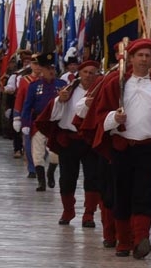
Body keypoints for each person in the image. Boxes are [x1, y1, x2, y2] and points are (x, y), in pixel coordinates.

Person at [83, 39, 151, 258]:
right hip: (122, 146)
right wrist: (113, 118)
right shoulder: (115, 83)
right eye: (140, 55)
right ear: (131, 58)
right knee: (122, 193)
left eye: (148, 56)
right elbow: (99, 114)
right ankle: (123, 241)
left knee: (143, 193)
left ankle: (141, 238)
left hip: (148, 148)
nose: (144, 59)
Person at [36, 59, 103, 226]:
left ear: (97, 75)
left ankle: (89, 214)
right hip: (69, 139)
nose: (88, 76)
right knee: (66, 178)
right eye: (85, 72)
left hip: (90, 141)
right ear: (79, 73)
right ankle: (68, 210)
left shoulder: (100, 91)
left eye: (92, 72)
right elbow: (54, 114)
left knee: (92, 177)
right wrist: (60, 100)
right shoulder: (69, 90)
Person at [22, 53, 65, 192]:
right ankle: (41, 182)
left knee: (55, 154)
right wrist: (25, 124)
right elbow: (27, 106)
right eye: (48, 68)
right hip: (39, 123)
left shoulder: (62, 85)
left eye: (52, 68)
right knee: (37, 154)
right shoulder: (34, 86)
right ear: (42, 70)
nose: (51, 71)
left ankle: (51, 173)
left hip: (55, 124)